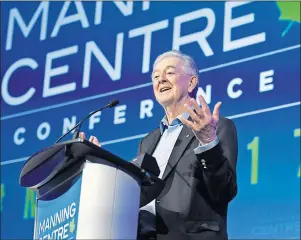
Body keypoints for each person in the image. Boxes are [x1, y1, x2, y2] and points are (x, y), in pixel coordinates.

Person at [81, 50, 238, 240]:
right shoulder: (147, 142)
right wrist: (105, 166)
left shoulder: (217, 127)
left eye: (170, 72)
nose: (161, 79)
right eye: (155, 76)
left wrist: (207, 142)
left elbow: (223, 191)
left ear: (191, 82)